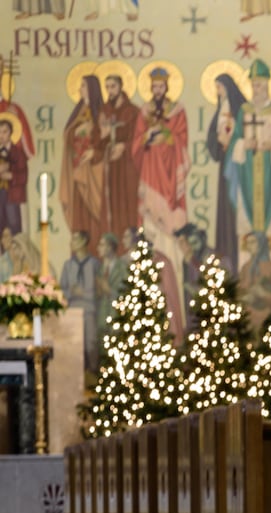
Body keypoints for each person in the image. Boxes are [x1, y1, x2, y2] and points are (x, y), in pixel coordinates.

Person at [228, 60, 271, 277]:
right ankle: (247, 269)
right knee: (247, 218)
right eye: (253, 84)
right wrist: (242, 145)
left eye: (260, 85)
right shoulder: (244, 111)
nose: (256, 89)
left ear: (267, 85)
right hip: (248, 174)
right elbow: (235, 142)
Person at [132, 66, 188, 241]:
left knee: (170, 210)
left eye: (161, 87)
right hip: (150, 169)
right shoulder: (144, 111)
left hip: (170, 168)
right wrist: (147, 136)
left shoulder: (177, 110)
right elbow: (136, 141)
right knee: (150, 208)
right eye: (154, 87)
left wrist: (167, 136)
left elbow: (182, 138)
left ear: (166, 87)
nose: (157, 91)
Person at [61, 76, 107, 255]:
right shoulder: (78, 112)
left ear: (92, 89)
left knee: (94, 218)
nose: (80, 89)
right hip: (77, 173)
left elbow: (106, 142)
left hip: (94, 175)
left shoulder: (101, 113)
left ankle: (96, 256)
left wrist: (94, 153)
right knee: (79, 217)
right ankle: (79, 255)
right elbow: (68, 136)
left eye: (83, 86)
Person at [204, 73, 245, 273]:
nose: (217, 91)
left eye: (219, 87)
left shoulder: (241, 110)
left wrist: (234, 141)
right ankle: (226, 254)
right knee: (225, 210)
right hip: (225, 168)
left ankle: (239, 256)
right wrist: (219, 145)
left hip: (238, 167)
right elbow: (212, 137)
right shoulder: (220, 110)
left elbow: (246, 134)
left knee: (236, 208)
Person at [98, 74, 141, 243]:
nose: (110, 91)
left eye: (113, 86)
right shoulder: (104, 111)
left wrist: (124, 147)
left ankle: (131, 244)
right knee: (112, 205)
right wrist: (103, 135)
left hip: (127, 166)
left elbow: (139, 138)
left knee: (128, 203)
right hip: (110, 164)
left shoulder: (133, 111)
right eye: (107, 87)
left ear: (121, 87)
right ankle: (113, 243)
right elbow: (98, 139)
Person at [60, 230, 101, 369]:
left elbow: (100, 290)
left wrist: (83, 293)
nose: (71, 243)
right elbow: (62, 288)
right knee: (75, 343)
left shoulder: (95, 264)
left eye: (75, 239)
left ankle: (94, 373)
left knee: (91, 342)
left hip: (89, 309)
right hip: (73, 309)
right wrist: (71, 293)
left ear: (84, 241)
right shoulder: (68, 265)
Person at [238, 230, 271, 331]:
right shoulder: (246, 267)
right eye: (248, 243)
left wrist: (262, 294)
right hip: (248, 317)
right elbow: (239, 293)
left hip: (267, 317)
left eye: (253, 242)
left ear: (261, 243)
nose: (249, 246)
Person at [94, 231, 127, 334]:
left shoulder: (122, 267)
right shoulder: (100, 268)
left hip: (116, 317)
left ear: (110, 247)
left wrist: (109, 291)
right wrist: (98, 292)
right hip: (102, 319)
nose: (98, 248)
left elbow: (127, 293)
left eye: (102, 245)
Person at [0, 119, 28, 240]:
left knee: (13, 225)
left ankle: (15, 257)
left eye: (4, 132)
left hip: (11, 195)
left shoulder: (18, 153)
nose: (1, 135)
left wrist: (11, 175)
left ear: (11, 133)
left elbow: (24, 176)